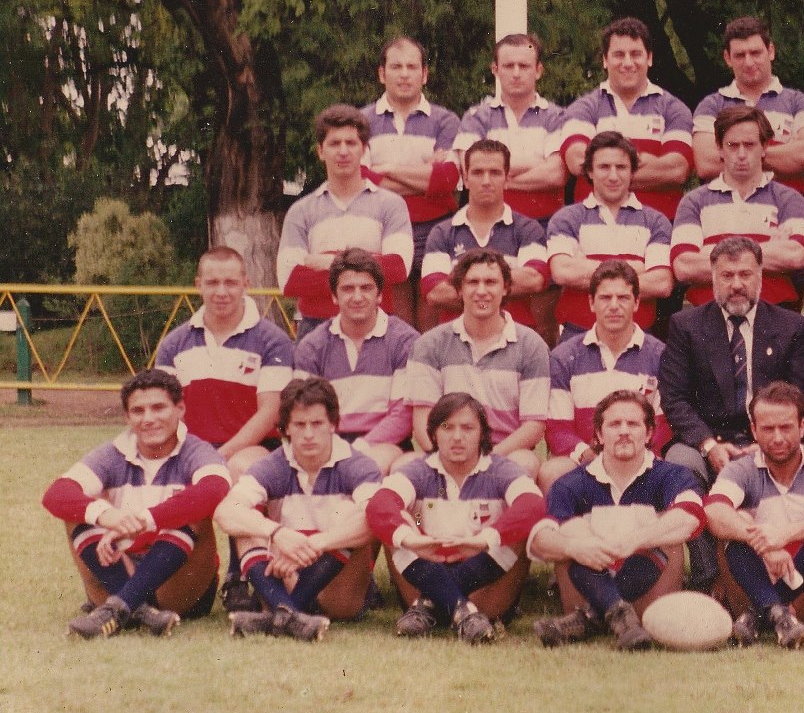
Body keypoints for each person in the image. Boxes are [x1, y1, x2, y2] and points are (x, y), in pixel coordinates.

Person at [659, 236, 804, 585]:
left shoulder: (791, 326)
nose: (736, 285)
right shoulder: (686, 326)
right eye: (726, 275)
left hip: (767, 435)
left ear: (760, 275)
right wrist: (708, 444)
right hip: (705, 438)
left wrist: (762, 442)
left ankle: (778, 568)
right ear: (712, 277)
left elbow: (802, 395)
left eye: (745, 274)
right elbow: (674, 399)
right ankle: (708, 575)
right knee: (681, 464)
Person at [43, 369, 231, 639]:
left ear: (180, 409)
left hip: (179, 585)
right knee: (78, 512)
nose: (149, 419)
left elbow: (214, 489)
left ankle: (120, 607)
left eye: (158, 408)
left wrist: (142, 521)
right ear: (127, 417)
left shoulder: (196, 450)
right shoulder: (113, 453)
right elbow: (56, 494)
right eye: (138, 411)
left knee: (195, 514)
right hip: (122, 568)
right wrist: (108, 517)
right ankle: (138, 609)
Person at [527, 390, 707, 650]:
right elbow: (539, 540)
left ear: (648, 434)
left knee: (669, 529)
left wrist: (632, 542)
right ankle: (618, 616)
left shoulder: (672, 475)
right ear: (599, 435)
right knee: (570, 533)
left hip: (650, 592)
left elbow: (690, 517)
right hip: (588, 578)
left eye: (633, 424)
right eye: (614, 424)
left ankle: (591, 618)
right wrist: (576, 547)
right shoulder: (571, 483)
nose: (624, 431)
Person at [367, 391, 547, 643]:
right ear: (433, 433)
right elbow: (379, 504)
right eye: (447, 427)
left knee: (519, 528)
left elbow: (533, 505)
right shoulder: (419, 471)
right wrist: (411, 538)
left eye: (468, 428)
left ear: (483, 433)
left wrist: (486, 538)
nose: (457, 437)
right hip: (425, 569)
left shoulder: (501, 470)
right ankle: (463, 611)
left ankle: (430, 604)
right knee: (399, 523)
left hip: (485, 584)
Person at [702, 381, 804, 649]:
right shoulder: (742, 468)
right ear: (754, 430)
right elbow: (713, 511)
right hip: (758, 571)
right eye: (768, 429)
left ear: (802, 427)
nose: (778, 438)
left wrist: (785, 534)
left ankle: (759, 614)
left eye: (786, 427)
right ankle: (778, 615)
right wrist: (765, 545)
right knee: (732, 529)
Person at [214, 377, 382, 640]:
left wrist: (314, 545)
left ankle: (278, 614)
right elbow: (225, 512)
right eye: (299, 425)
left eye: (317, 424)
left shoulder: (357, 465)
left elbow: (376, 519)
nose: (308, 434)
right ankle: (287, 614)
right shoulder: (274, 465)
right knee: (247, 524)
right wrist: (278, 533)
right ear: (286, 428)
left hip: (338, 590)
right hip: (286, 574)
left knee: (354, 514)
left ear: (333, 425)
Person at [401, 248, 552, 475]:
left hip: (505, 451)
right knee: (404, 466)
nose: (481, 291)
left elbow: (534, 425)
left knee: (525, 463)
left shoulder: (531, 345)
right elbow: (423, 420)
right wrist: (447, 457)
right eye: (472, 282)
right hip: (447, 450)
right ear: (459, 290)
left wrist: (489, 459)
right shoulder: (429, 344)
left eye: (491, 282)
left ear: (506, 288)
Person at [151, 247, 295, 476]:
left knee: (241, 469)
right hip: (190, 449)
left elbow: (271, 412)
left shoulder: (273, 341)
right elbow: (160, 408)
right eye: (212, 283)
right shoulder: (173, 344)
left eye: (230, 283)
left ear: (245, 284)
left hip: (252, 449)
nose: (221, 291)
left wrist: (218, 457)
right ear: (198, 285)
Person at [539, 260, 669, 492]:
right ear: (591, 302)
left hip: (640, 459)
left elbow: (662, 425)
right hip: (584, 461)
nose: (614, 306)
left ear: (637, 302)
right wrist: (590, 456)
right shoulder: (564, 357)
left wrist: (629, 456)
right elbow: (558, 428)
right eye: (605, 298)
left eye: (623, 298)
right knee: (552, 472)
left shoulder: (659, 355)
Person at [278, 104, 413, 321]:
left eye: (351, 143)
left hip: (376, 325)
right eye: (334, 143)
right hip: (317, 327)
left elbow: (397, 268)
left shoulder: (391, 205)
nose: (343, 151)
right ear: (321, 151)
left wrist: (327, 262)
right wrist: (369, 267)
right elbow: (290, 281)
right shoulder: (300, 211)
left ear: (364, 150)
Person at [360, 35, 462, 321]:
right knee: (398, 321)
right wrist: (424, 175)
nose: (404, 74)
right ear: (382, 74)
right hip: (386, 228)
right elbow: (362, 179)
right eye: (396, 67)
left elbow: (447, 180)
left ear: (424, 74)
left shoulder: (445, 121)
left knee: (433, 318)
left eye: (412, 67)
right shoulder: (362, 121)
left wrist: (387, 168)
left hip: (435, 229)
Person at [674, 106, 804, 309]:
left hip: (773, 311)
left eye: (749, 145)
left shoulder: (789, 198)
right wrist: (769, 249)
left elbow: (795, 256)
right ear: (720, 148)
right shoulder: (694, 201)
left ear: (764, 147)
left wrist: (710, 252)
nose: (741, 154)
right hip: (710, 313)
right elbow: (684, 266)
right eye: (732, 145)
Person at [291, 249, 417, 472]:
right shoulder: (312, 346)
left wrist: (357, 450)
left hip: (385, 444)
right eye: (348, 289)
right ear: (334, 295)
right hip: (326, 443)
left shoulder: (405, 341)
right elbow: (305, 410)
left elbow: (403, 415)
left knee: (366, 469)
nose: (357, 297)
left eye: (366, 288)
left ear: (379, 294)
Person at [558, 17, 695, 218]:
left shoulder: (673, 108)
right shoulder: (584, 108)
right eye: (619, 55)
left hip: (659, 226)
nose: (628, 63)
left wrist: (605, 168)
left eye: (636, 54)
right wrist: (646, 162)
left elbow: (677, 170)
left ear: (649, 58)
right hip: (594, 223)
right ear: (605, 60)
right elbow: (577, 160)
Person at [545, 130, 674, 339]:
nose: (613, 176)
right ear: (589, 171)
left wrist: (588, 268)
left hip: (638, 337)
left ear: (633, 171)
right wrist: (636, 269)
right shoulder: (566, 218)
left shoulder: (656, 221)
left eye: (621, 167)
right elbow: (562, 272)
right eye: (604, 167)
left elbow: (661, 284)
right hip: (578, 335)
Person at [419, 139, 550, 331]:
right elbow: (435, 292)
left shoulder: (527, 228)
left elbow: (534, 279)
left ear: (507, 179)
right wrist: (500, 284)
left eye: (495, 173)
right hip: (456, 338)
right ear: (465, 178)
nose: (486, 181)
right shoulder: (442, 232)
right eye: (478, 173)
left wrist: (466, 283)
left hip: (515, 337)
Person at [692, 16, 804, 193]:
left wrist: (735, 154)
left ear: (770, 51)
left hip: (789, 212)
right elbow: (705, 163)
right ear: (727, 58)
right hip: (727, 212)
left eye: (755, 53)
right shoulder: (711, 106)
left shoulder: (801, 103)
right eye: (740, 55)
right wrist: (783, 153)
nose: (748, 62)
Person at [455, 33, 569, 222]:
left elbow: (556, 174)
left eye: (524, 66)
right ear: (495, 69)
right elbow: (471, 171)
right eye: (508, 66)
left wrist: (496, 175)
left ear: (538, 70)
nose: (516, 73)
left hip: (546, 224)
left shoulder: (557, 116)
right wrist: (538, 163)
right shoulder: (476, 118)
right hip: (489, 224)